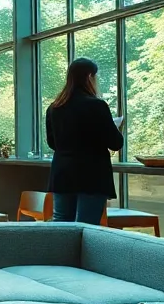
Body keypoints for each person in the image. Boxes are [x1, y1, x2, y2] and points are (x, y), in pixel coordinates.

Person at [46, 57, 124, 224]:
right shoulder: (97, 105)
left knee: (61, 224)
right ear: (90, 77)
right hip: (92, 174)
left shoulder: (54, 108)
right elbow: (116, 143)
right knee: (86, 226)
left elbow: (52, 143)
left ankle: (60, 251)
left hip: (62, 173)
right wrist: (114, 127)